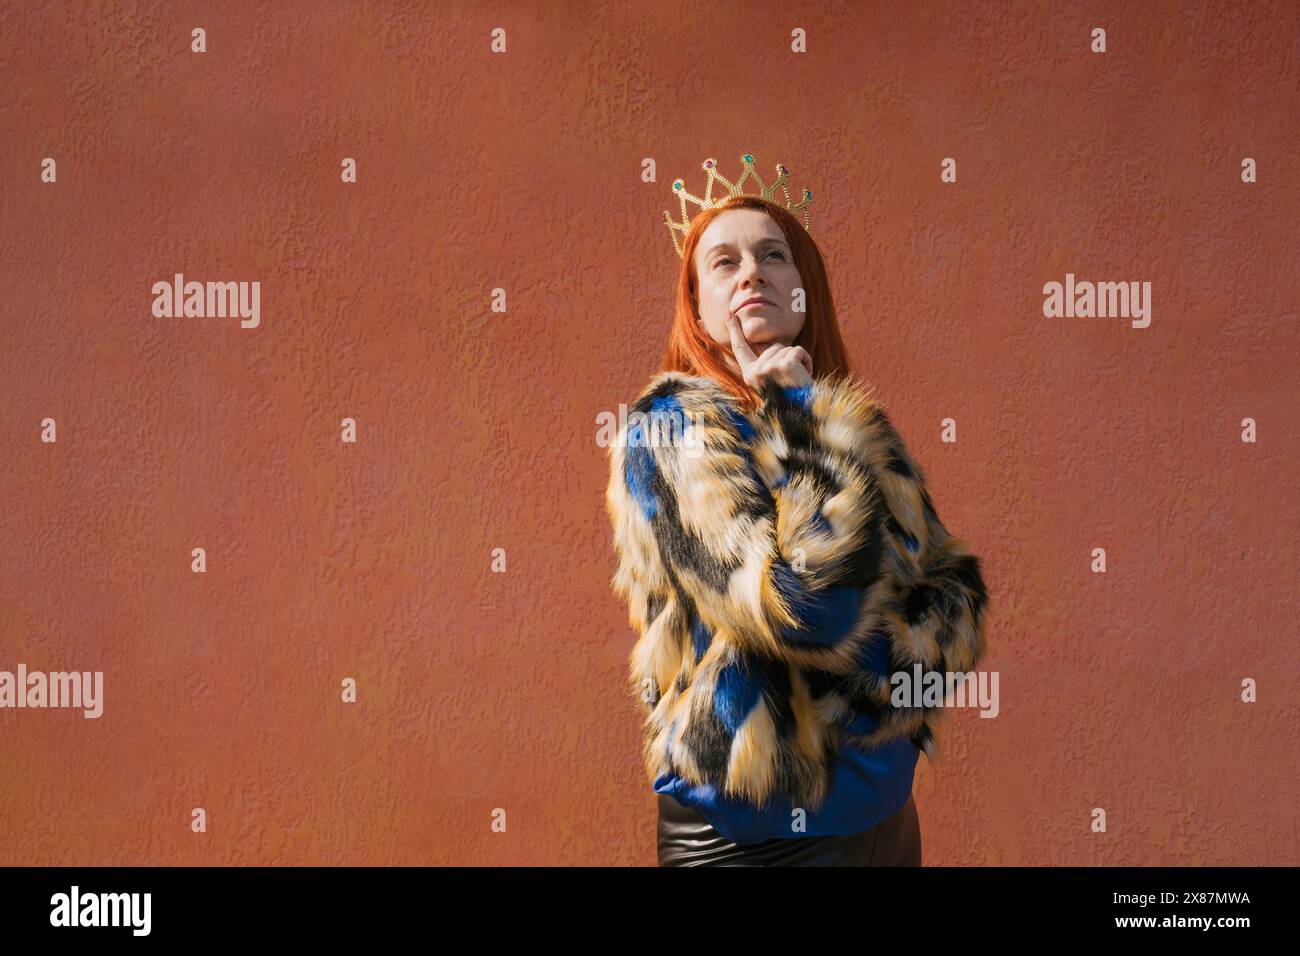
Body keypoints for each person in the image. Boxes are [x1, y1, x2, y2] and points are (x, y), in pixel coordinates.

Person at [603, 154, 990, 866]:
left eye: (772, 255)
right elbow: (806, 609)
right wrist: (800, 419)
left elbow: (954, 594)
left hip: (882, 820)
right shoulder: (672, 428)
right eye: (723, 263)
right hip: (753, 840)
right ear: (698, 307)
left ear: (805, 290)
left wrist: (882, 666)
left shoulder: (845, 424)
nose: (751, 272)